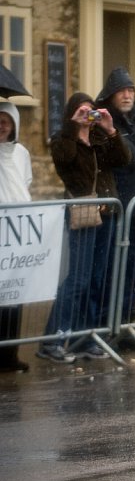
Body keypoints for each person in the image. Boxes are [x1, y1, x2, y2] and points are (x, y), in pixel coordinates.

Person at [36, 93, 130, 363]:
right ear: (71, 114)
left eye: (90, 111)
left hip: (107, 212)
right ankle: (52, 340)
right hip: (82, 213)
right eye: (81, 112)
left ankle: (82, 339)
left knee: (96, 280)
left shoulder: (100, 137)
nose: (87, 116)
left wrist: (110, 128)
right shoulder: (63, 140)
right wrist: (74, 129)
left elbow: (123, 160)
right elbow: (64, 163)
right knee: (77, 278)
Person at [95, 68, 135, 346]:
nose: (128, 95)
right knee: (112, 269)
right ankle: (108, 327)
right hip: (117, 208)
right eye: (122, 91)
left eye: (131, 90)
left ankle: (127, 325)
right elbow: (117, 161)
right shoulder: (104, 122)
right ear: (111, 94)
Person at [0, 102, 33, 372]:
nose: (1, 125)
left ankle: (10, 355)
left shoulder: (21, 153)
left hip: (18, 232)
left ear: (14, 125)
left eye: (6, 120)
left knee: (14, 295)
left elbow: (26, 183)